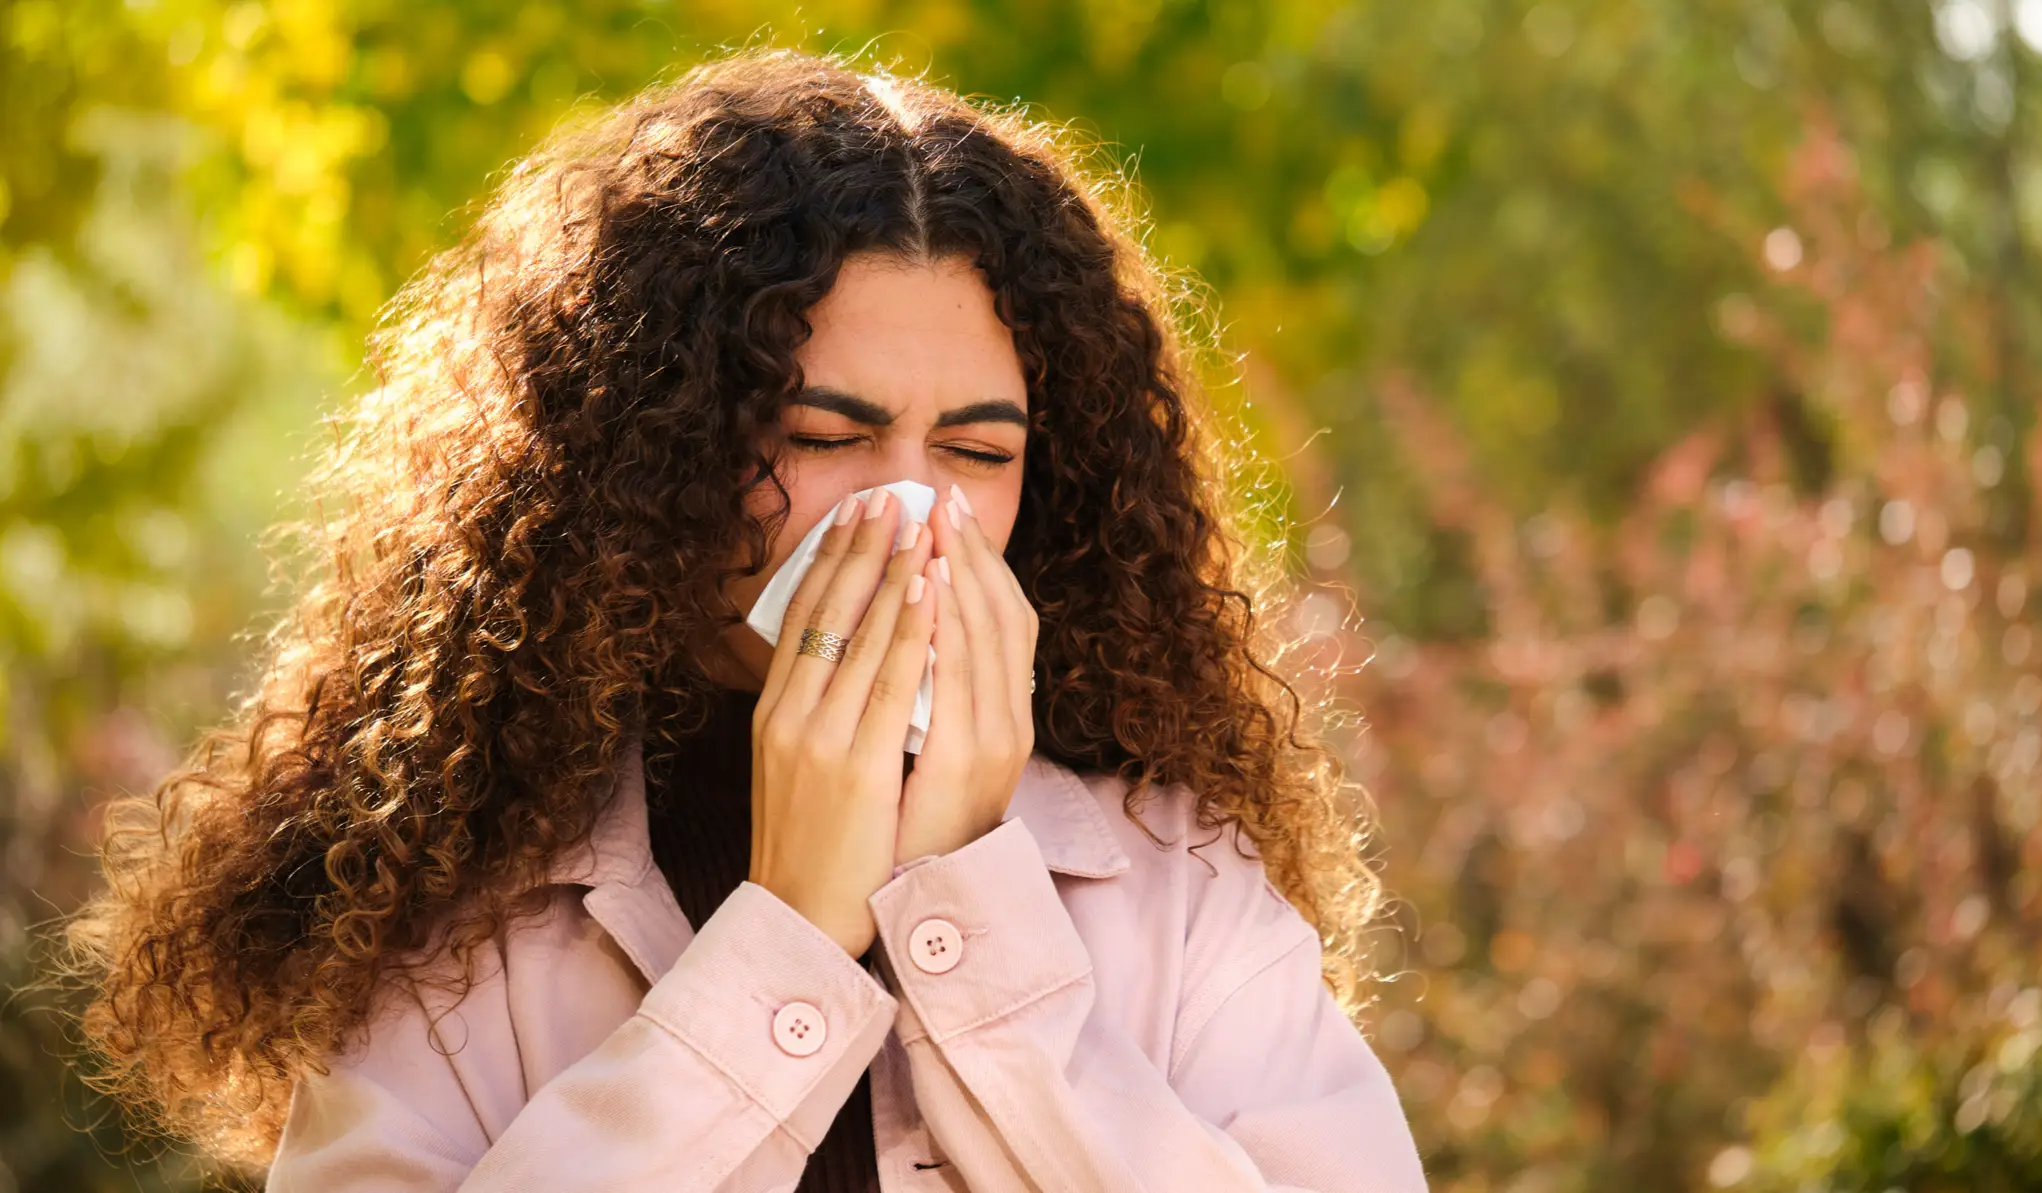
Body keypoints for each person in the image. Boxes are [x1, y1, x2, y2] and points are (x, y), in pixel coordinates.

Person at [62, 47, 1427, 1191]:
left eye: (977, 450)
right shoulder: (462, 930)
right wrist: (783, 933)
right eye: (828, 434)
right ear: (657, 457)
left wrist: (971, 908)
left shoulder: (1177, 891)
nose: (908, 513)